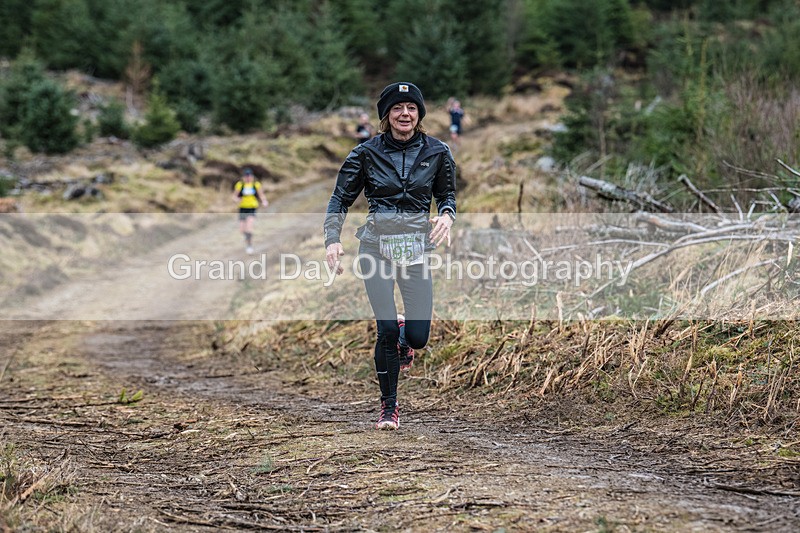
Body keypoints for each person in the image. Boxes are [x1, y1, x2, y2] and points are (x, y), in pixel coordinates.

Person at [324, 82, 457, 430]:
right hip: (375, 249)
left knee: (418, 337)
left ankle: (404, 334)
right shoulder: (365, 153)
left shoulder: (438, 151)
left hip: (415, 249)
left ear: (419, 114)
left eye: (411, 108)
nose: (404, 114)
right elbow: (339, 199)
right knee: (384, 329)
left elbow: (447, 195)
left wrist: (446, 215)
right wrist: (332, 240)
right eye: (397, 108)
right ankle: (389, 408)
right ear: (386, 115)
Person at [233, 167, 268, 254]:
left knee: (249, 227)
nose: (248, 178)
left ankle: (249, 245)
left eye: (249, 176)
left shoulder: (256, 185)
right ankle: (247, 238)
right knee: (242, 230)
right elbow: (234, 196)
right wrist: (237, 200)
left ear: (252, 177)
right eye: (246, 176)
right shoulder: (240, 185)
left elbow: (261, 195)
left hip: (252, 208)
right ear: (244, 177)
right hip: (242, 208)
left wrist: (264, 201)